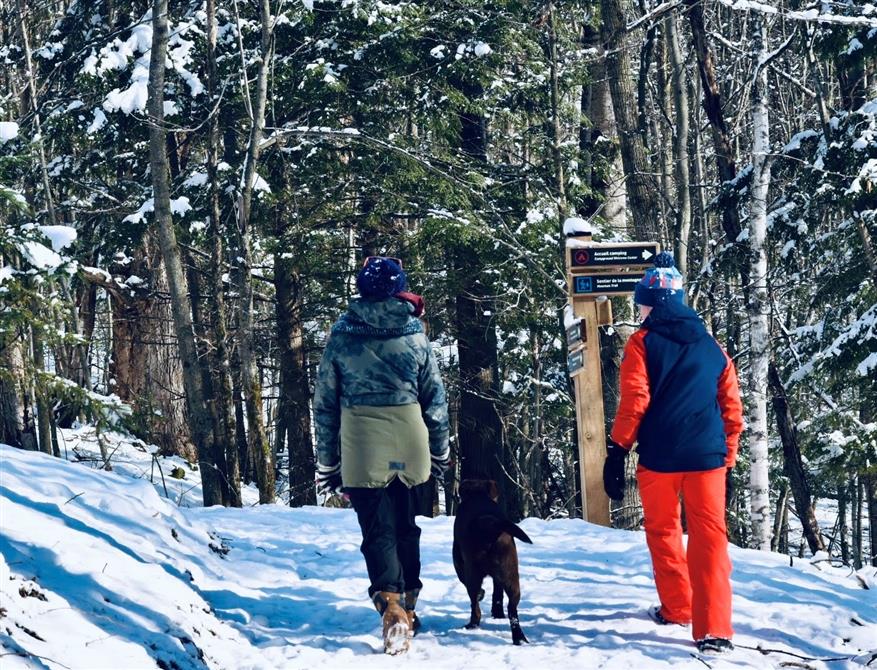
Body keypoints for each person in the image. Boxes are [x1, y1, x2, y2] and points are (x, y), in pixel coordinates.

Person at [603, 251, 744, 654]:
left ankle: (678, 607)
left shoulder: (642, 343)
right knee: (710, 539)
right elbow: (732, 408)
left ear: (654, 302)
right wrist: (727, 456)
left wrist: (618, 449)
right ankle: (715, 629)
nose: (641, 308)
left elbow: (635, 401)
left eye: (642, 301)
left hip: (660, 459)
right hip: (706, 459)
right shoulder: (712, 346)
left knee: (664, 532)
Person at [313, 256, 450, 655]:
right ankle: (410, 604)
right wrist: (439, 450)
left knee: (377, 528)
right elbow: (434, 399)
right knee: (406, 523)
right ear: (398, 288)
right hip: (410, 436)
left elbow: (325, 405)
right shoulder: (414, 334)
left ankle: (390, 606)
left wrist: (328, 462)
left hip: (361, 439)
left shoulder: (342, 335)